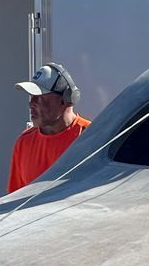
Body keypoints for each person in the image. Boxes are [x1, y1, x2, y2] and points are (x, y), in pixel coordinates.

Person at [7, 64, 90, 193]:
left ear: (64, 100)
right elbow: (15, 198)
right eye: (31, 96)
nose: (31, 103)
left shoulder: (91, 137)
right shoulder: (24, 143)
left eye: (39, 97)